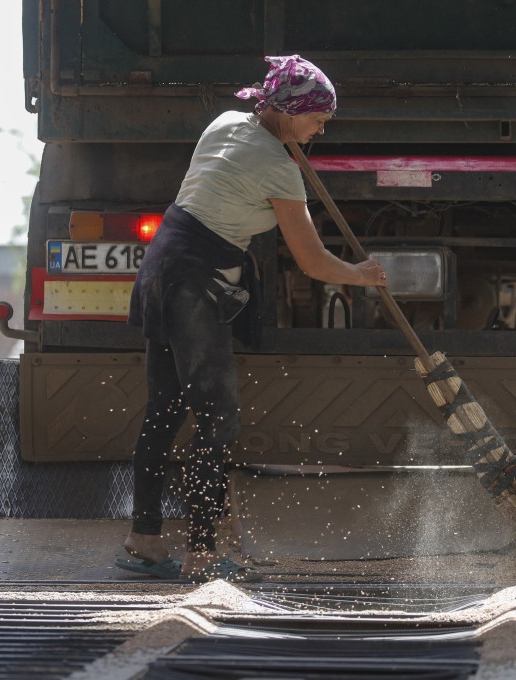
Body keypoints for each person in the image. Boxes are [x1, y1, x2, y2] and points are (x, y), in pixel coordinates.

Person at [117, 55, 388, 583]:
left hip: (162, 267)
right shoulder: (279, 168)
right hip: (193, 283)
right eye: (317, 117)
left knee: (165, 410)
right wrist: (364, 275)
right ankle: (201, 553)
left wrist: (285, 146)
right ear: (289, 112)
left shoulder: (226, 123)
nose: (322, 128)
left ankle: (145, 539)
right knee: (218, 420)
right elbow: (311, 262)